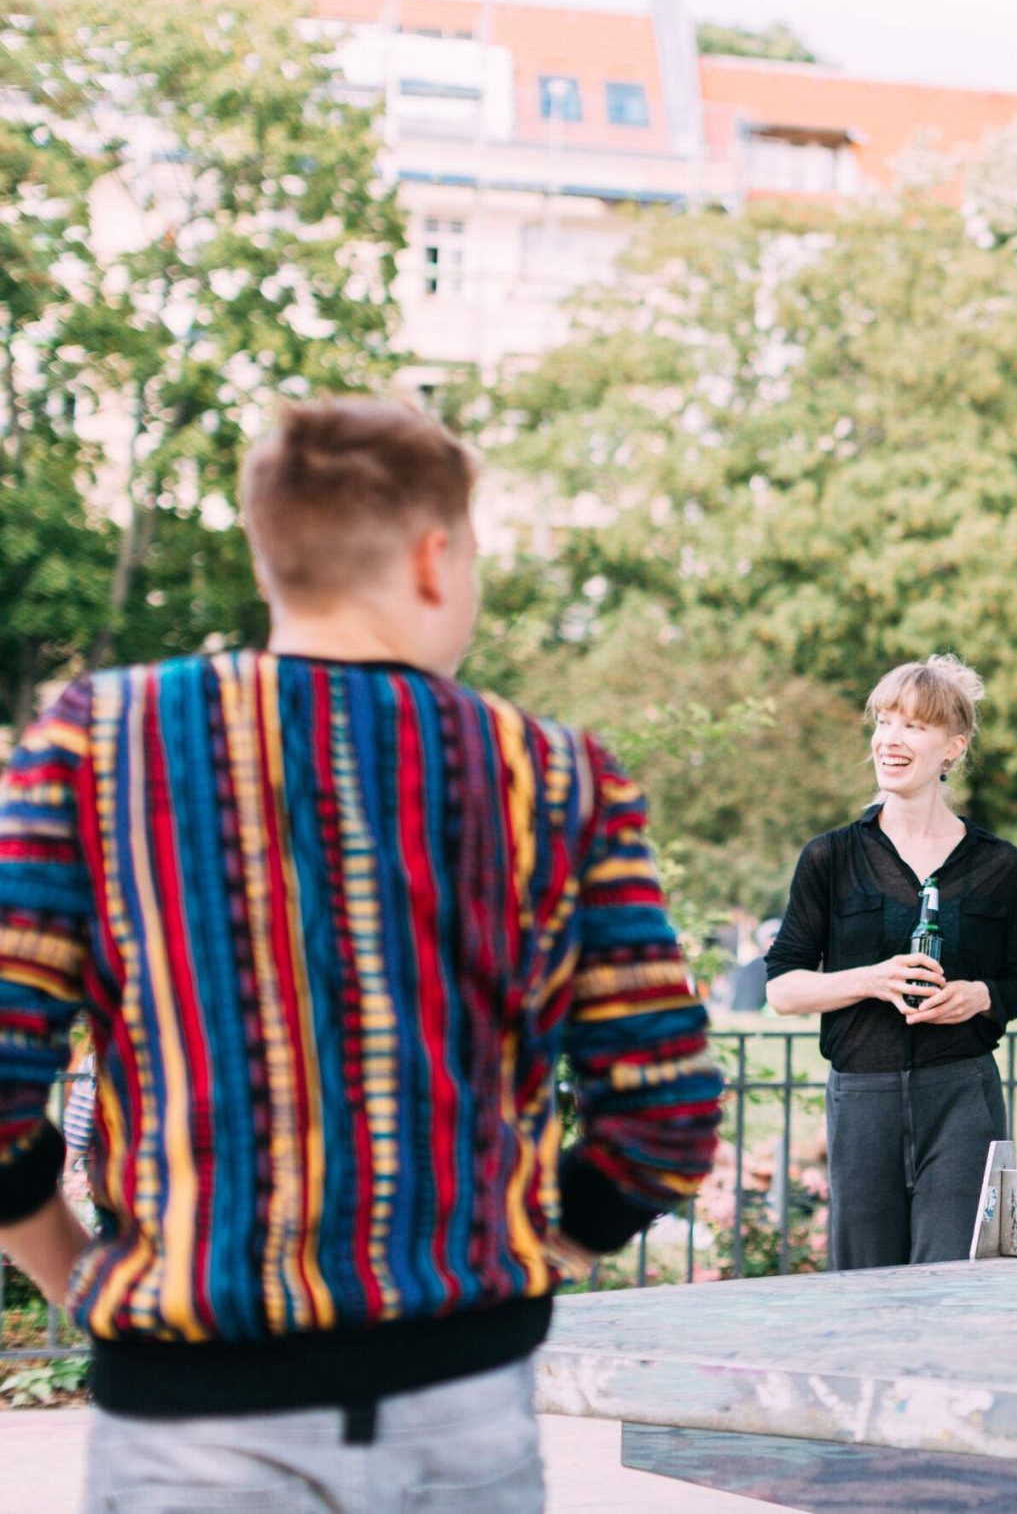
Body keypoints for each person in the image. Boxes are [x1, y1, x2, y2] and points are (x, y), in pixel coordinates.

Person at [0, 396, 722, 1513]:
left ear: (269, 550)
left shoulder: (101, 742)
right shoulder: (557, 777)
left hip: (187, 1420)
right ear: (436, 557)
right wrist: (515, 1274)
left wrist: (90, 1286)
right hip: (460, 1408)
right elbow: (664, 1122)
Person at [766, 655, 1017, 1269]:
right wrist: (872, 980)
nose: (889, 739)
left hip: (963, 1096)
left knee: (957, 1279)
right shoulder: (830, 857)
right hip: (862, 1099)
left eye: (912, 726)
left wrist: (979, 996)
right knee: (864, 1285)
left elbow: (1015, 984)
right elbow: (783, 989)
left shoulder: (1000, 864)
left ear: (952, 748)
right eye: (883, 722)